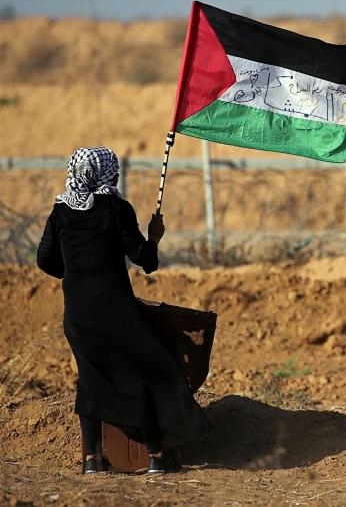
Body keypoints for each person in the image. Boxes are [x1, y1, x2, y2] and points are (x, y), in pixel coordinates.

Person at [36, 147, 214, 474]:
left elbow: (44, 259)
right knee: (147, 370)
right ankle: (157, 456)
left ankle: (92, 460)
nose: (116, 176)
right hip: (115, 309)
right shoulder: (116, 208)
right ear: (105, 175)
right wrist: (155, 237)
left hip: (78, 313)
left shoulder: (60, 212)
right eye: (113, 172)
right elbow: (145, 260)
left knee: (90, 378)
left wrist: (75, 273)